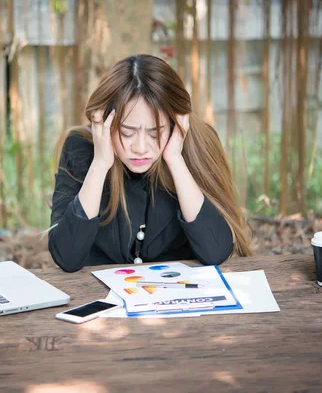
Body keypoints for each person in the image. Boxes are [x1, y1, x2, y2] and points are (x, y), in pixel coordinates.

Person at [48, 54, 252, 273]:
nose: (141, 147)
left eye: (155, 132)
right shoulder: (81, 148)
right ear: (103, 122)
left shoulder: (199, 145)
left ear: (176, 123)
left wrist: (175, 160)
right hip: (100, 298)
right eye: (127, 133)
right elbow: (67, 257)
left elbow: (216, 251)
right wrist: (100, 164)